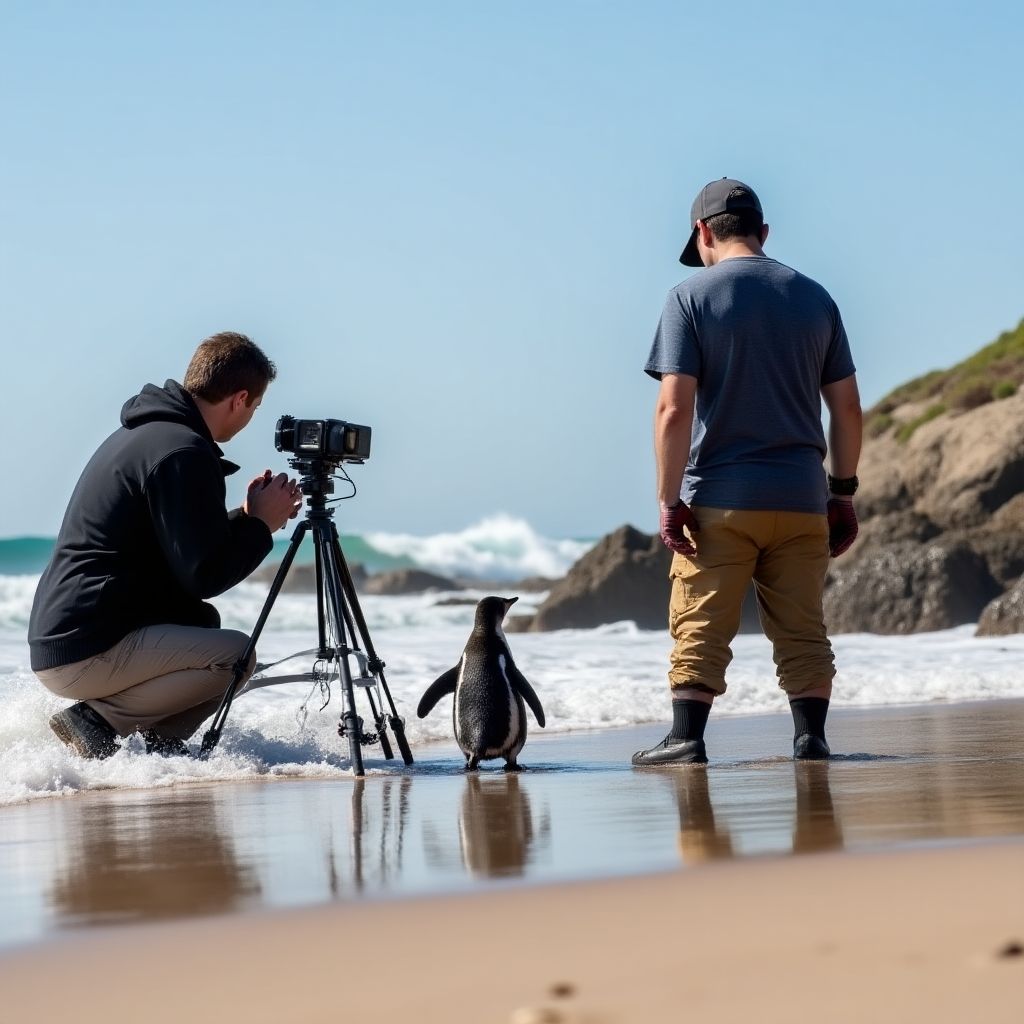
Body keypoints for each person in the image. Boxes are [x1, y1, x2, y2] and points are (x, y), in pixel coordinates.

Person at [633, 178, 862, 766]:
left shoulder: (689, 297)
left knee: (700, 623)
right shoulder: (815, 298)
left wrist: (667, 499)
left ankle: (688, 737)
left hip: (721, 499)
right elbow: (847, 408)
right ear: (764, 233)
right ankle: (810, 738)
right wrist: (842, 493)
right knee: (803, 629)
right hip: (802, 498)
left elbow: (674, 408)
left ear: (703, 232)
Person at [29, 332, 302, 758]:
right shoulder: (183, 451)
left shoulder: (151, 435)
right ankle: (97, 722)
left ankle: (155, 754)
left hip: (68, 638)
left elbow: (180, 546)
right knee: (235, 656)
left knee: (205, 629)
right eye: (256, 407)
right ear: (240, 398)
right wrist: (263, 527)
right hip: (88, 648)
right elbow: (205, 574)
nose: (251, 417)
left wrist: (249, 517)